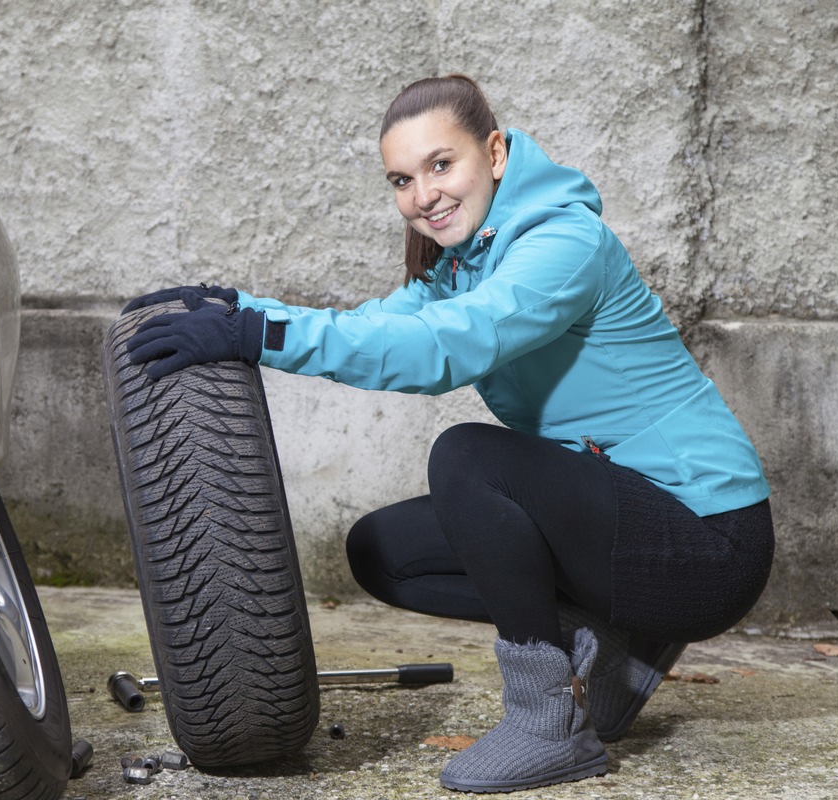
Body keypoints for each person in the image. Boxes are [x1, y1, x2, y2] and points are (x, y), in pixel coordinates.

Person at [122, 74, 773, 794]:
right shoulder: (462, 263)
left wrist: (257, 334)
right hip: (621, 519)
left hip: (708, 540)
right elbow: (387, 324)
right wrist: (236, 305)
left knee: (467, 457)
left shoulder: (565, 243)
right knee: (383, 552)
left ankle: (547, 720)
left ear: (494, 153)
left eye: (441, 165)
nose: (422, 195)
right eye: (402, 179)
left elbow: (449, 345)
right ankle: (618, 640)